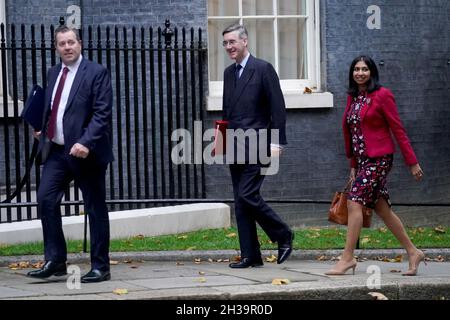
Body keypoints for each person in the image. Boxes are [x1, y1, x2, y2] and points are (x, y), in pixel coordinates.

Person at [27, 25, 114, 283]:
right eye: (62, 44)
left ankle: (101, 266)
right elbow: (54, 106)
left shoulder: (97, 72)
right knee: (45, 199)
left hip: (86, 153)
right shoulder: (54, 72)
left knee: (95, 208)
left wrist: (86, 142)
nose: (67, 47)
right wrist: (42, 128)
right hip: (57, 151)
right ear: (56, 48)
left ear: (80, 44)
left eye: (71, 42)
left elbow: (102, 113)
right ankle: (56, 260)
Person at [325, 55, 425, 276]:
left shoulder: (383, 95)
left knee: (354, 202)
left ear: (372, 72)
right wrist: (353, 164)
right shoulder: (353, 98)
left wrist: (412, 162)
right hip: (362, 161)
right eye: (356, 69)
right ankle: (413, 251)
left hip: (379, 159)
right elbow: (353, 134)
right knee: (382, 208)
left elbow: (398, 129)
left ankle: (348, 258)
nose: (360, 73)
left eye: (365, 69)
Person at [221, 24, 294, 268]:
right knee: (240, 201)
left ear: (245, 41)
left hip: (259, 145)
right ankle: (250, 255)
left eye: (232, 41)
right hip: (234, 146)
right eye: (225, 43)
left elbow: (278, 108)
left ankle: (283, 234)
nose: (229, 47)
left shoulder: (263, 69)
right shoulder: (228, 74)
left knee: (247, 194)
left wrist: (276, 142)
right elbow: (227, 113)